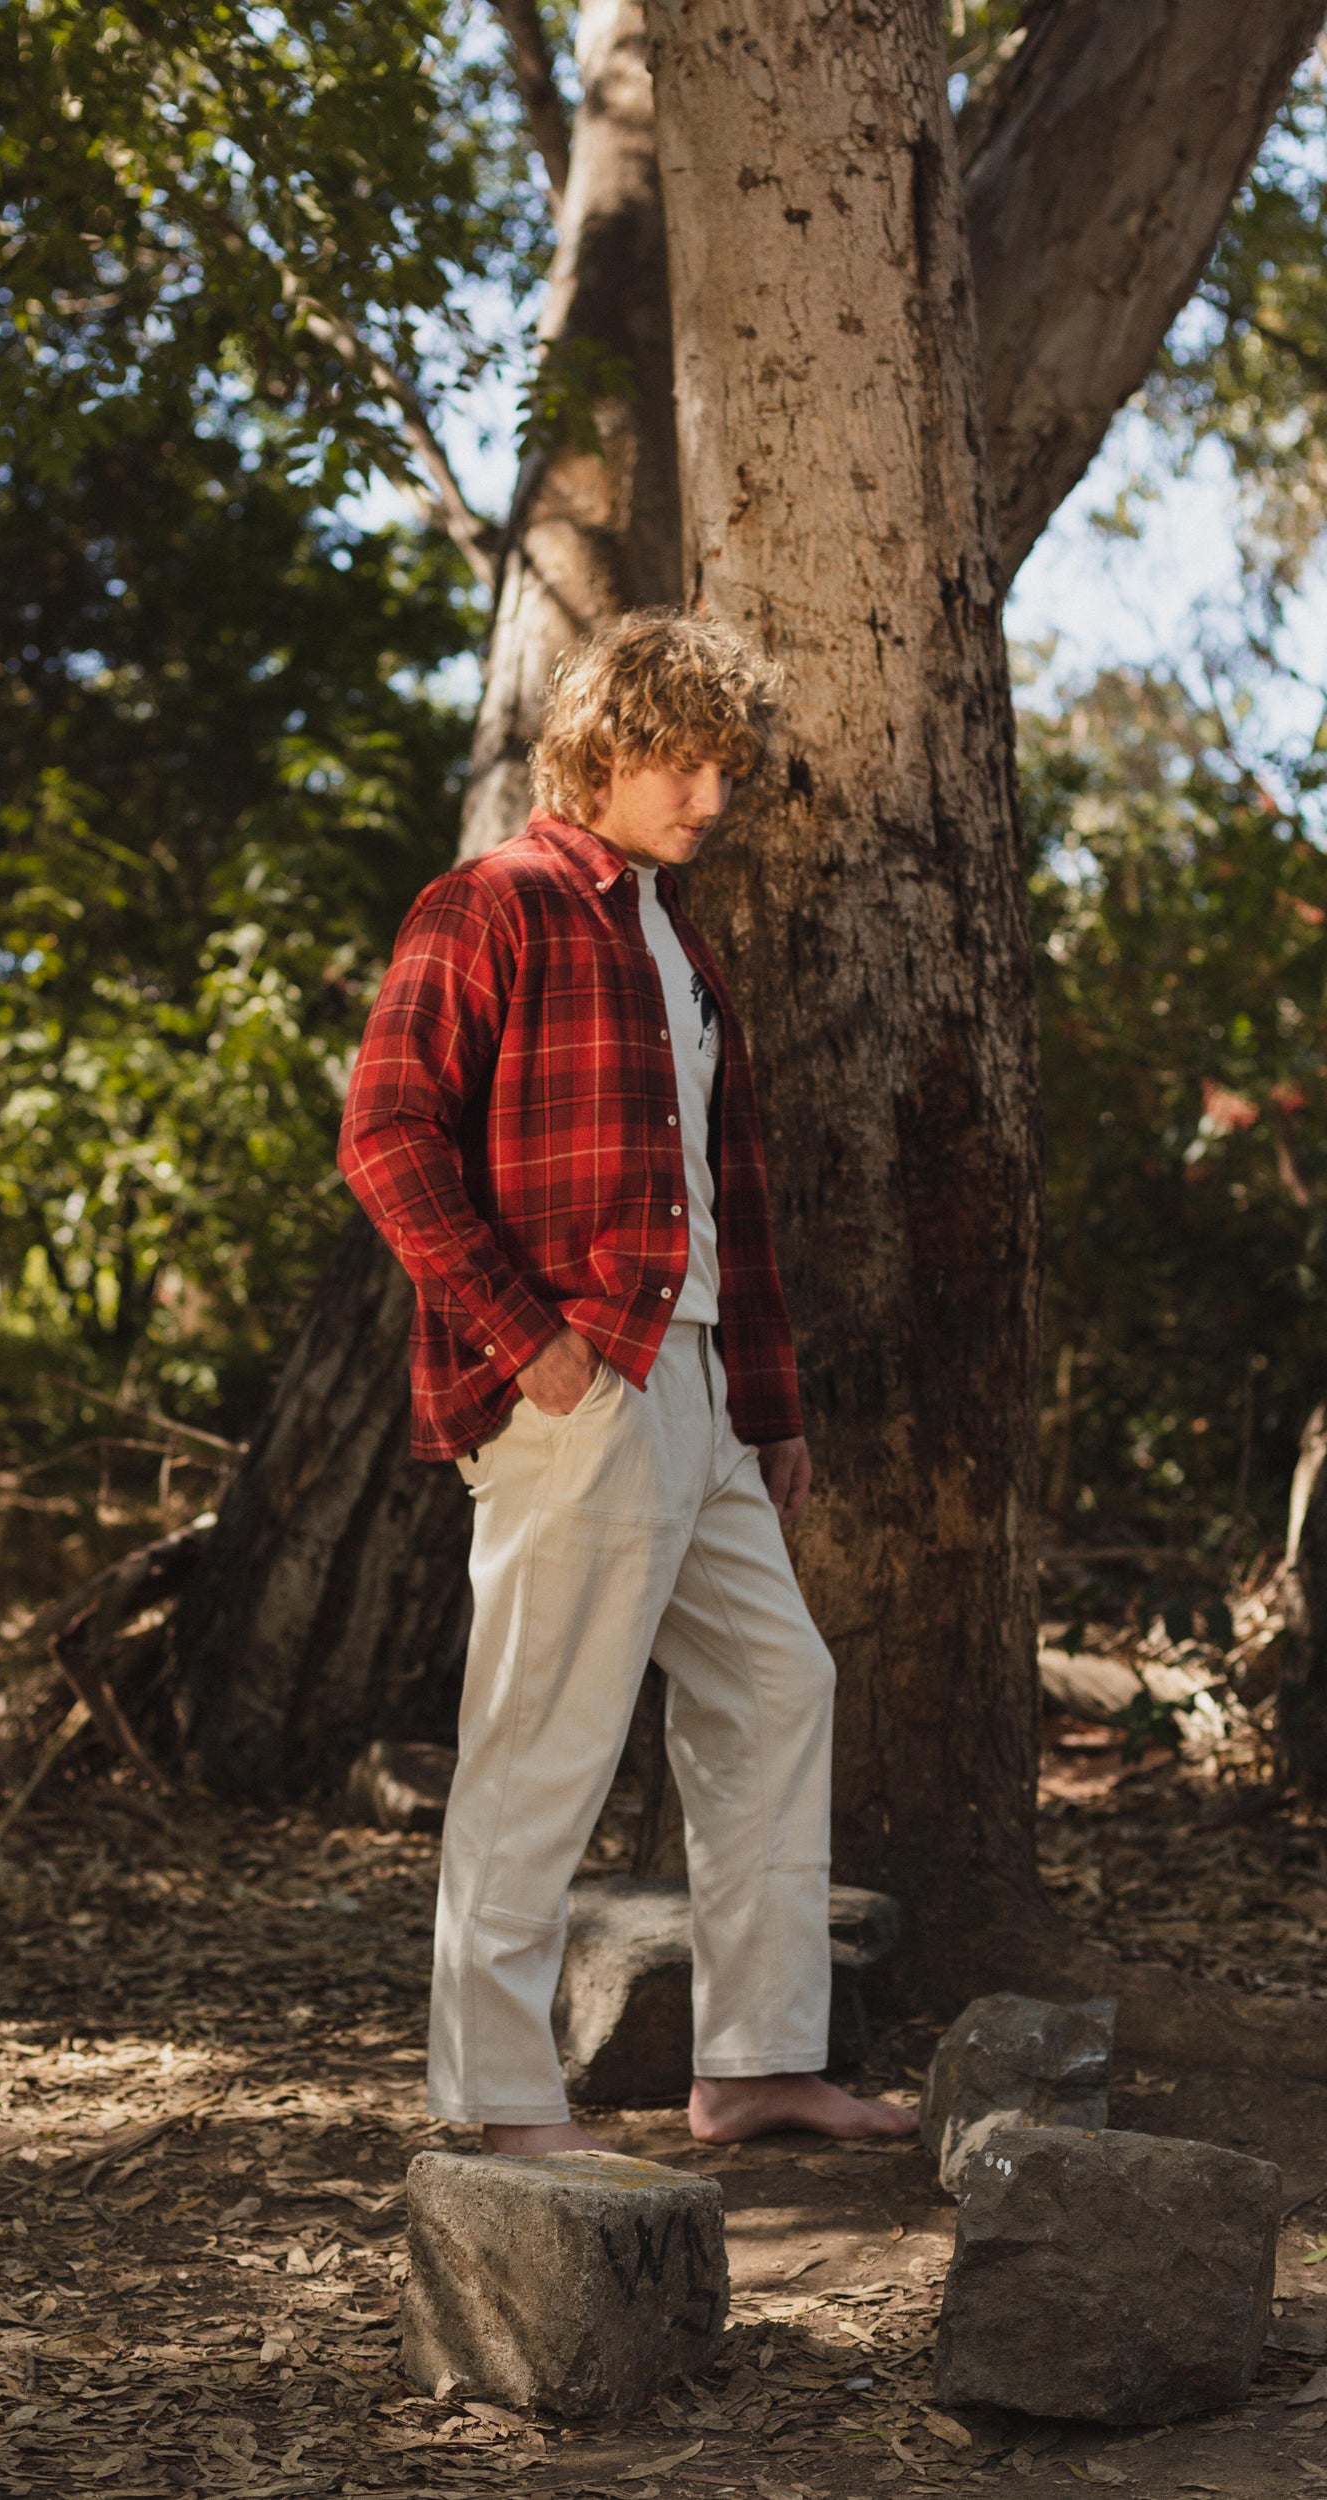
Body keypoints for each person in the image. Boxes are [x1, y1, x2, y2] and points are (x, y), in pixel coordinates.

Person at [339, 610, 913, 2154]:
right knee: (545, 1737)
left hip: (706, 1392)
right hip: (580, 1389)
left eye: (727, 767)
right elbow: (386, 1139)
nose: (711, 798)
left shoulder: (681, 943)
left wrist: (771, 1405)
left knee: (781, 1687)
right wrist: (528, 1341)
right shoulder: (493, 906)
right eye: (682, 762)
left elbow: (735, 1197)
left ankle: (755, 2064)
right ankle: (497, 2098)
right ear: (598, 747)